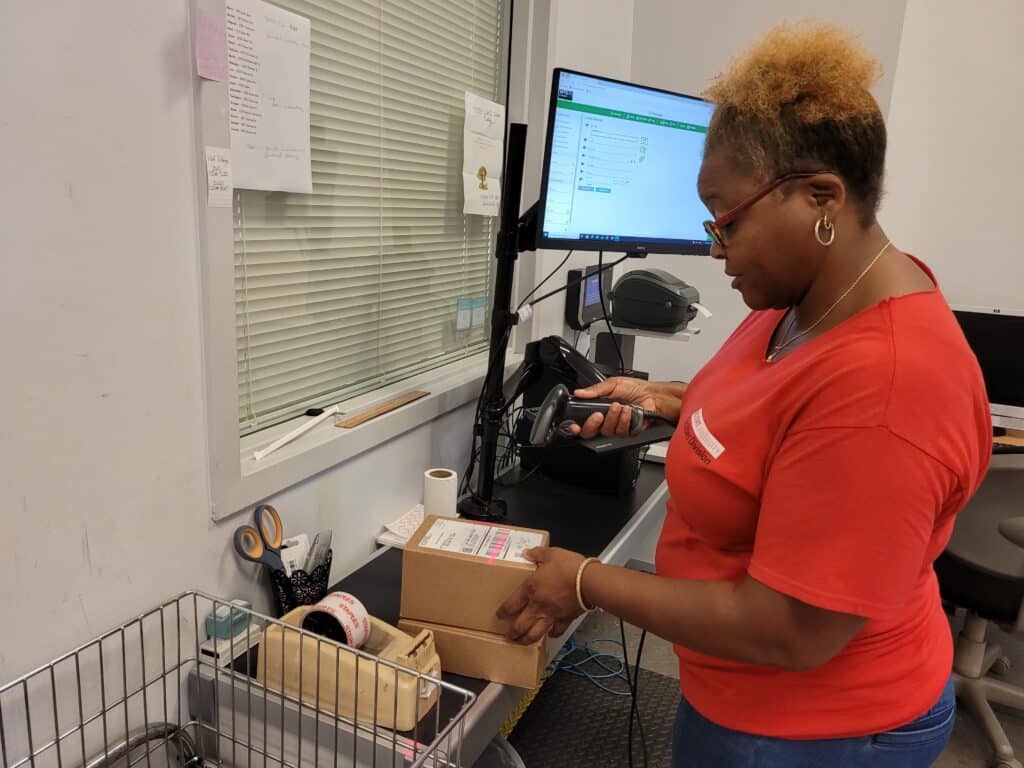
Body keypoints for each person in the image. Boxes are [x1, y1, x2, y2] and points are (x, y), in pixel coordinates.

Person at [498, 21, 992, 767]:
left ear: (821, 198)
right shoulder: (807, 302)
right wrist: (664, 396)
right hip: (737, 698)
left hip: (819, 729)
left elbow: (789, 629)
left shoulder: (892, 387)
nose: (713, 247)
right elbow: (785, 406)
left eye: (725, 219)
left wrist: (589, 582)